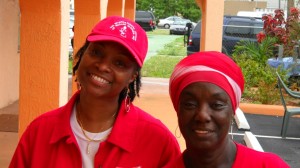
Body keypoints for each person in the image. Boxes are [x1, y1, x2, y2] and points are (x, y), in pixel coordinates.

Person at [10, 16, 180, 168]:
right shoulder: (40, 132)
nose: (103, 66)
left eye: (119, 63)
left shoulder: (159, 142)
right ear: (83, 54)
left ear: (132, 76)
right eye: (97, 52)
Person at [167, 51, 290, 168]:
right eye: (190, 104)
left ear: (233, 111)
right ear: (178, 109)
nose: (202, 115)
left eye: (217, 105)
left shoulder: (269, 166)